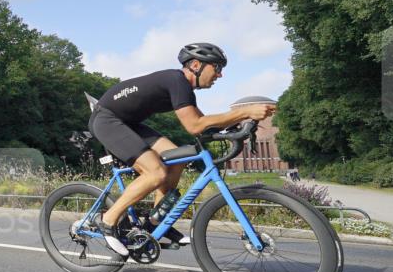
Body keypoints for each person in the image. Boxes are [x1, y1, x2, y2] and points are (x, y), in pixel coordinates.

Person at [89, 43, 276, 256]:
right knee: (156, 172)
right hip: (107, 120)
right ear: (196, 65)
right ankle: (107, 220)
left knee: (178, 158)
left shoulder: (184, 89)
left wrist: (239, 126)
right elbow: (194, 125)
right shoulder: (176, 80)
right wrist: (243, 112)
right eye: (216, 68)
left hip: (129, 123)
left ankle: (155, 222)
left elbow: (203, 126)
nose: (220, 75)